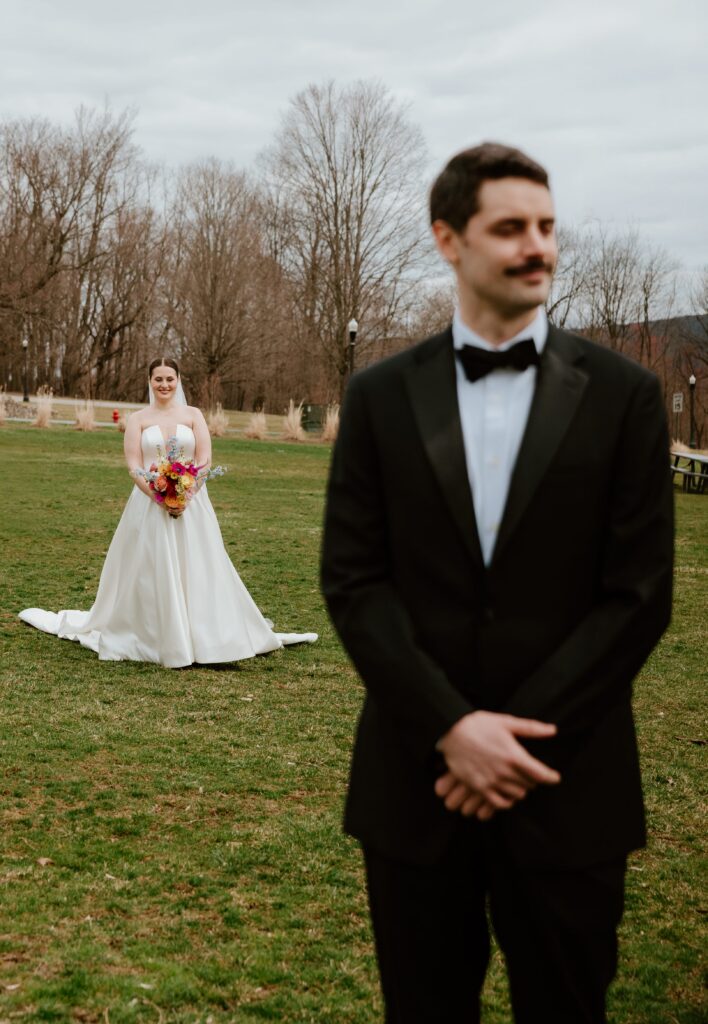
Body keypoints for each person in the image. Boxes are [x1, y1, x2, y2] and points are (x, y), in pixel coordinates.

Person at [320, 143, 673, 1023]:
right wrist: (449, 727)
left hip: (569, 789)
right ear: (448, 239)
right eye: (510, 227)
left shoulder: (626, 396)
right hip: (415, 789)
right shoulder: (379, 398)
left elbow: (638, 596)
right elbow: (355, 583)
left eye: (548, 227)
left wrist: (510, 744)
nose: (538, 247)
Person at [20, 357, 317, 667]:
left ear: (178, 380)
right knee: (149, 568)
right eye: (158, 379)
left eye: (169, 379)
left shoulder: (193, 415)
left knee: (200, 565)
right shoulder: (138, 419)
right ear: (150, 381)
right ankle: (154, 634)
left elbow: (204, 459)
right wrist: (161, 497)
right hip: (149, 505)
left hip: (193, 504)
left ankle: (204, 634)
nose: (164, 385)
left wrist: (185, 496)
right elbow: (134, 466)